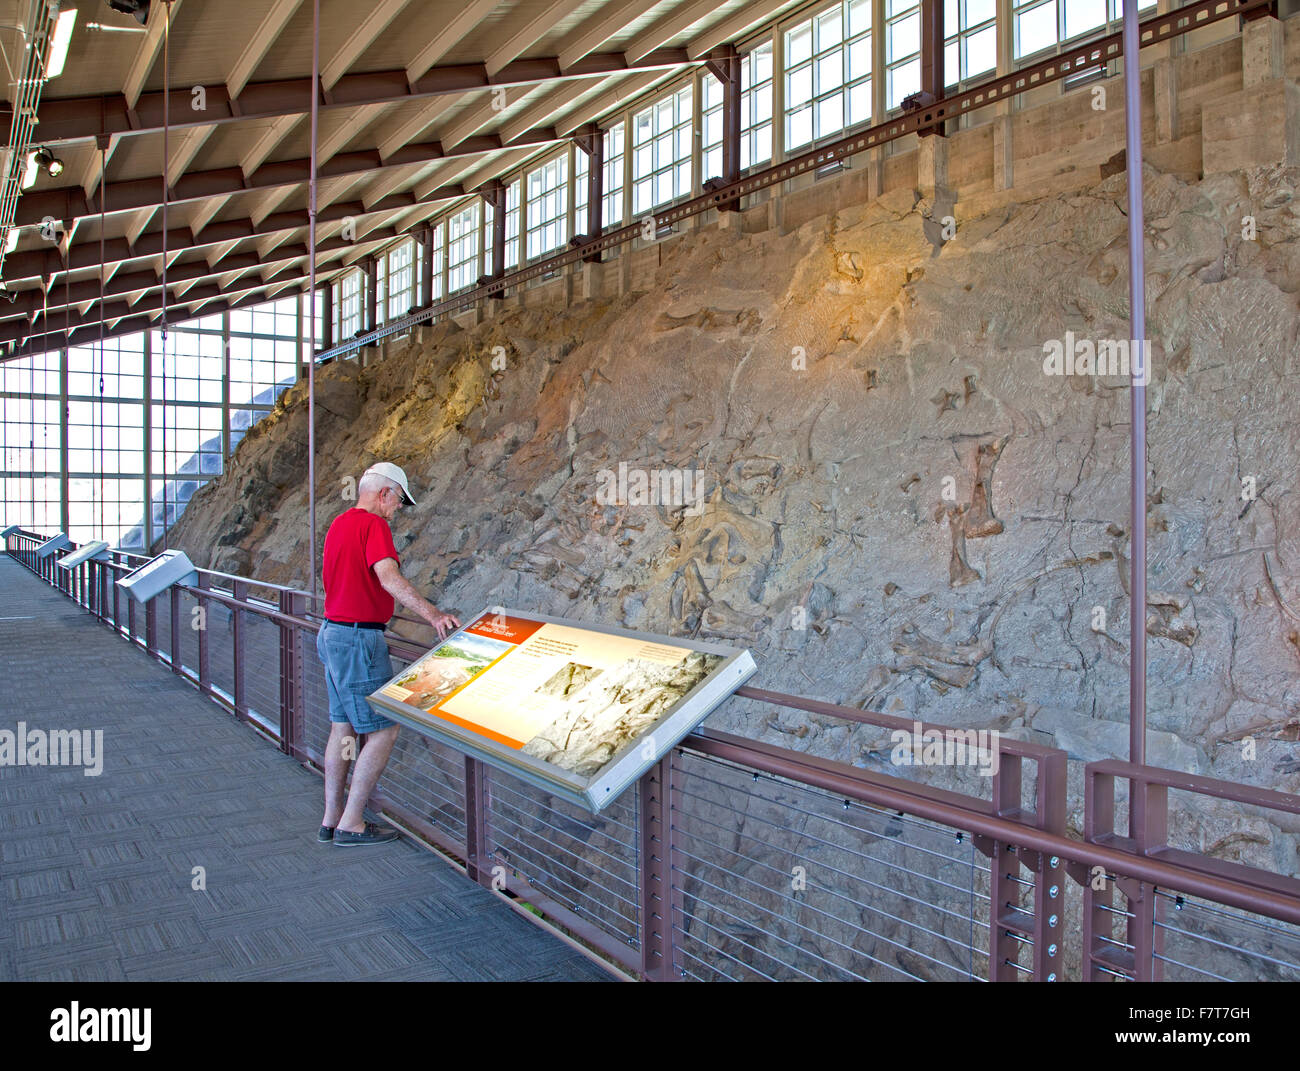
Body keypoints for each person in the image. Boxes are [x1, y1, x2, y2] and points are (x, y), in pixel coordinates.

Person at [316, 461, 460, 846]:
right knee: (383, 729)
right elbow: (388, 577)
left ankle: (330, 819)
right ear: (384, 494)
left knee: (342, 727)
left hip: (331, 633)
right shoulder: (373, 526)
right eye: (398, 500)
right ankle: (351, 823)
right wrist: (433, 615)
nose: (398, 509)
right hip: (358, 640)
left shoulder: (338, 524)